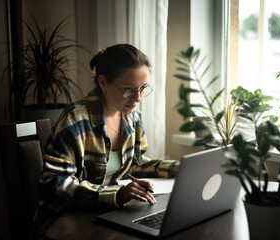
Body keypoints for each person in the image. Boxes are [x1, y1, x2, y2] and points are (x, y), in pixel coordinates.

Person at [33, 44, 180, 236]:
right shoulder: (75, 119)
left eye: (143, 88)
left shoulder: (133, 118)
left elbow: (133, 165)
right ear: (103, 82)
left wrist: (171, 168)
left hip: (110, 214)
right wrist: (116, 194)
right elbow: (55, 184)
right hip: (66, 223)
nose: (137, 98)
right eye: (128, 89)